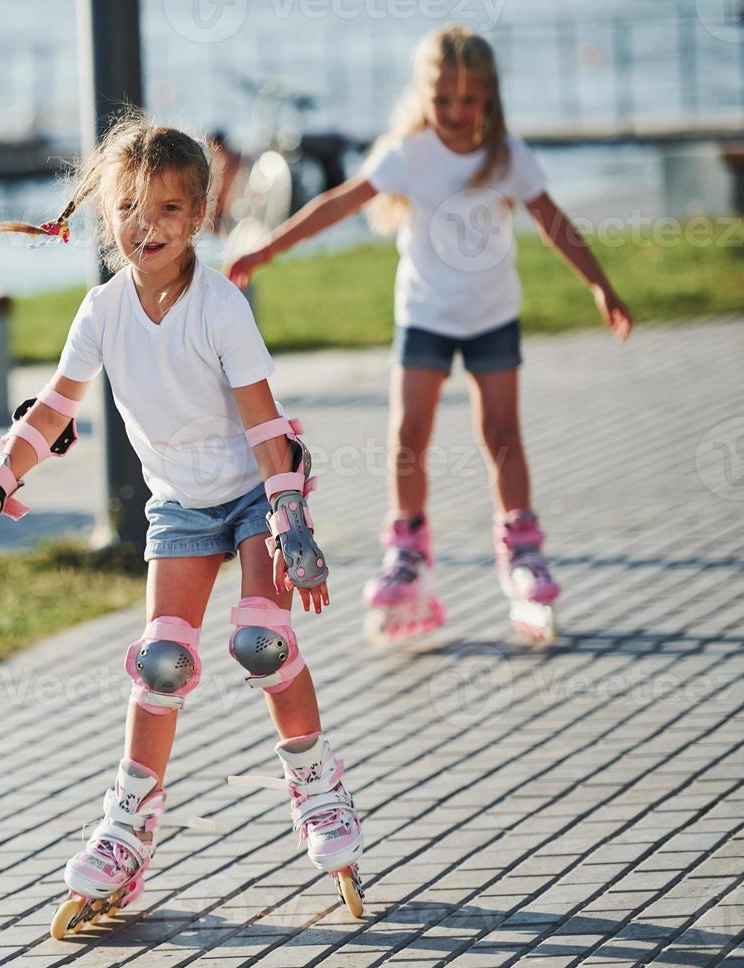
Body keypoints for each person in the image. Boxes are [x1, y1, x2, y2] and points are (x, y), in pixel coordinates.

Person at [0, 115, 366, 937]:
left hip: (255, 492)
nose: (149, 226)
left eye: (171, 209)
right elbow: (53, 411)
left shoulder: (220, 309)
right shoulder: (101, 312)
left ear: (201, 216)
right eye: (133, 209)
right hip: (179, 504)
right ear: (110, 217)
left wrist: (288, 520)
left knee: (261, 641)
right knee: (163, 662)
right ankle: (128, 827)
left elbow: (262, 423)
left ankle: (319, 787)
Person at [226, 25, 632, 645]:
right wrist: (268, 249)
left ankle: (521, 544)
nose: (454, 113)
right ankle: (408, 549)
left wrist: (600, 285)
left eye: (468, 101)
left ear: (489, 99)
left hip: (491, 314)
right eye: (442, 100)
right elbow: (340, 202)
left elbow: (553, 221)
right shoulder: (409, 154)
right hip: (425, 316)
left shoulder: (507, 156)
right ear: (425, 96)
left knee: (501, 433)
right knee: (408, 434)